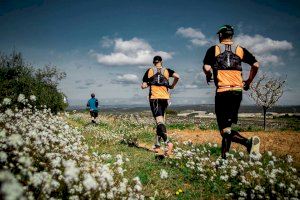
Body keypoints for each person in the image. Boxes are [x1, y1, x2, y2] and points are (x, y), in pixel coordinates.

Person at [202, 25, 260, 159]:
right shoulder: (239, 49)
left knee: (224, 130)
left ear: (220, 36)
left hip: (223, 92)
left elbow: (206, 67)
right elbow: (256, 65)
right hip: (237, 91)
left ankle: (248, 142)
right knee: (227, 127)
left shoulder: (214, 49)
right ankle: (224, 159)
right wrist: (249, 81)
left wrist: (208, 74)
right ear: (231, 36)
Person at [141, 55, 180, 156]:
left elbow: (143, 85)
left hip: (155, 98)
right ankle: (157, 146)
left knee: (159, 122)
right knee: (161, 122)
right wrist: (172, 86)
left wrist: (148, 83)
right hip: (165, 98)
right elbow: (177, 76)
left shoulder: (150, 71)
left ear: (154, 62)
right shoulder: (167, 70)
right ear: (161, 62)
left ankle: (168, 142)